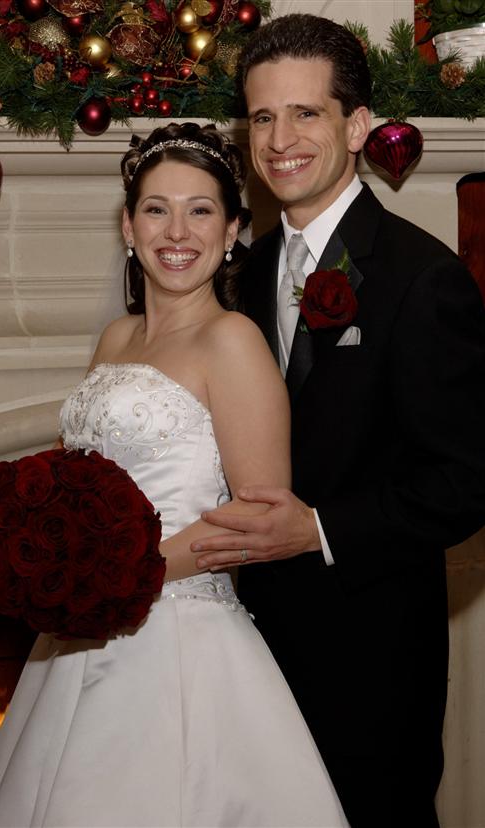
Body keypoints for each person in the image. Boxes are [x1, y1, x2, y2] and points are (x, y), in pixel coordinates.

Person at [0, 122, 348, 828]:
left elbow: (261, 517)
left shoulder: (232, 341)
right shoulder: (118, 337)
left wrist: (115, 578)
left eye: (200, 210)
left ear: (232, 231)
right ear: (129, 227)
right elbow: (77, 478)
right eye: (156, 209)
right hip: (75, 637)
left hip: (178, 641)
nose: (177, 231)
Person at [191, 14, 485, 828]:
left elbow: (468, 480)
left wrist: (319, 529)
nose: (279, 140)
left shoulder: (423, 278)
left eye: (305, 113)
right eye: (261, 116)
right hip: (247, 650)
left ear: (357, 127)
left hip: (372, 662)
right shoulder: (241, 275)